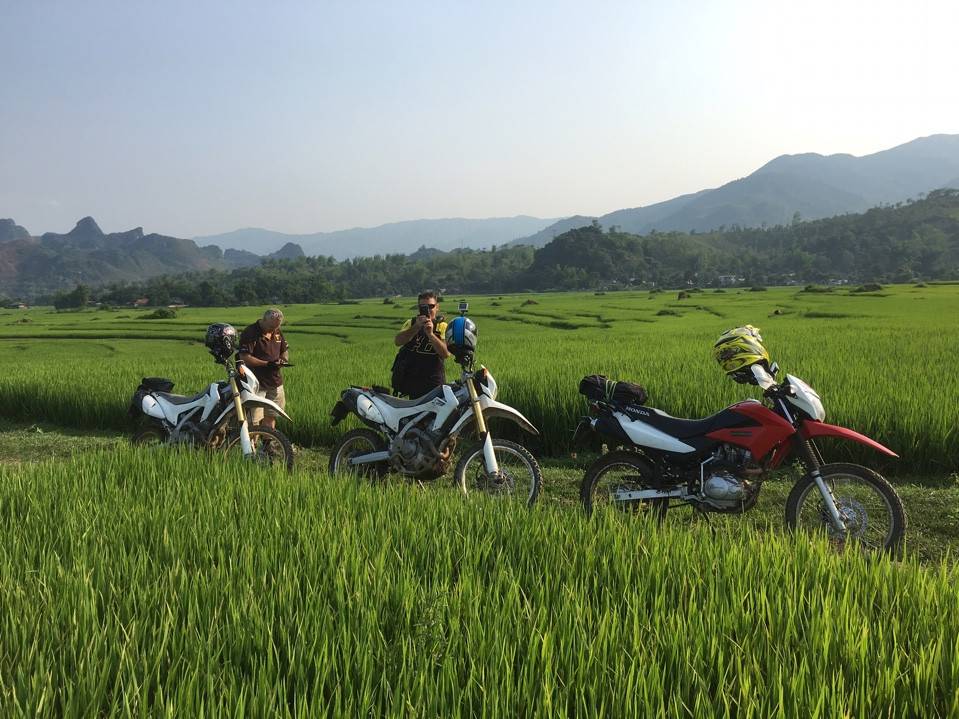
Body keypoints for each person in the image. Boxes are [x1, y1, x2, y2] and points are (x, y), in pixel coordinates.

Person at [391, 291, 451, 398]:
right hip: (412, 382)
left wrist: (431, 334)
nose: (428, 310)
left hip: (434, 383)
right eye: (423, 307)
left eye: (431, 306)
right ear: (418, 308)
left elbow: (445, 353)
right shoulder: (411, 323)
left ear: (437, 307)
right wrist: (416, 328)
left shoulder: (442, 326)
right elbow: (398, 341)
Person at [238, 308, 289, 428]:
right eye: (271, 327)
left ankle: (267, 444)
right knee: (254, 419)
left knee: (271, 415)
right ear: (264, 320)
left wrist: (283, 360)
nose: (274, 330)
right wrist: (266, 364)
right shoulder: (250, 332)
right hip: (256, 383)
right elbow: (245, 357)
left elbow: (284, 351)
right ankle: (252, 445)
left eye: (276, 327)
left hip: (275, 381)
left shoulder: (277, 331)